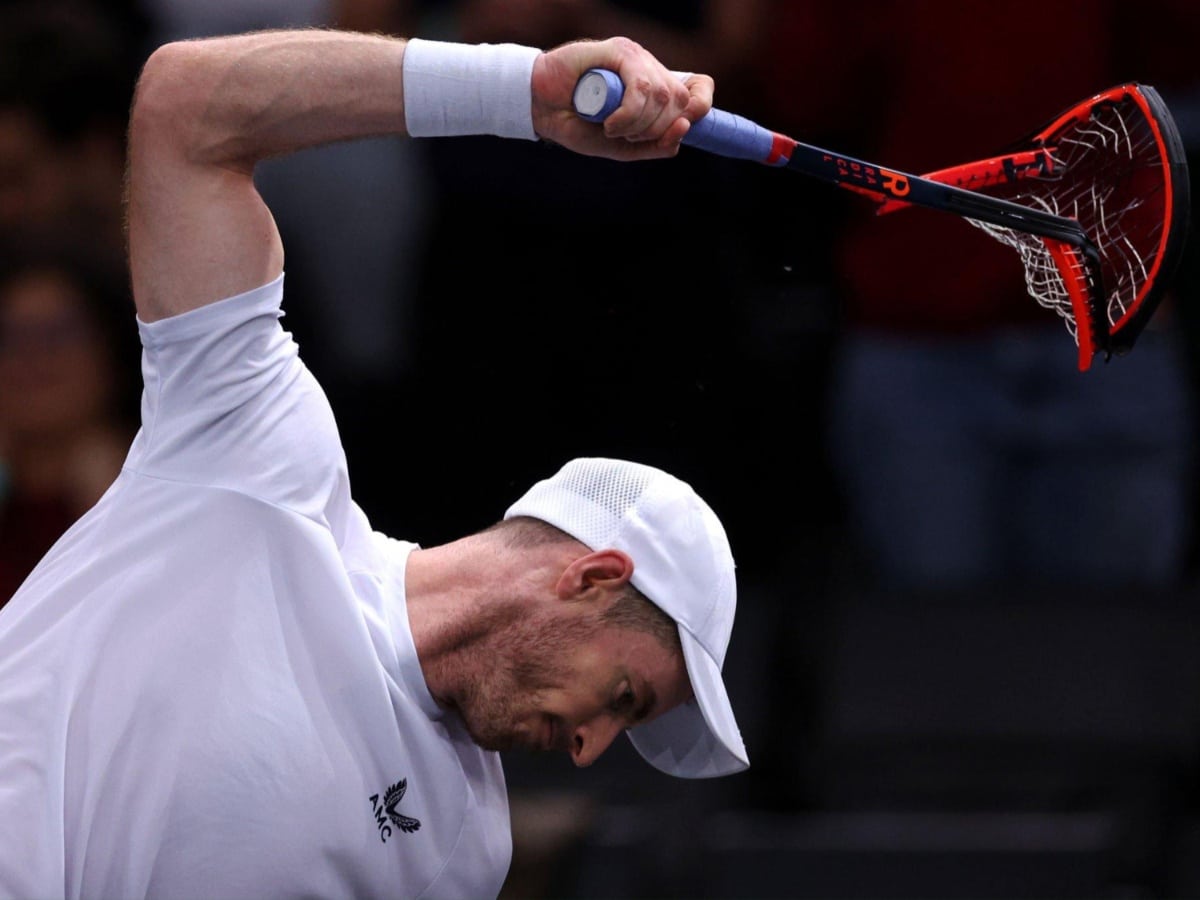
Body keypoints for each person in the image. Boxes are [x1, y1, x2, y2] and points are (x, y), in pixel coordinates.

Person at [0, 27, 748, 900]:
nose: (590, 749)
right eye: (624, 696)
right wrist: (524, 93)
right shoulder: (262, 457)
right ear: (592, 577)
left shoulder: (464, 849)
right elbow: (188, 107)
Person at [0, 235, 141, 605]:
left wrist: (111, 514)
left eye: (59, 334)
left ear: (111, 354)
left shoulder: (161, 492)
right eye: (10, 338)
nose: (32, 357)